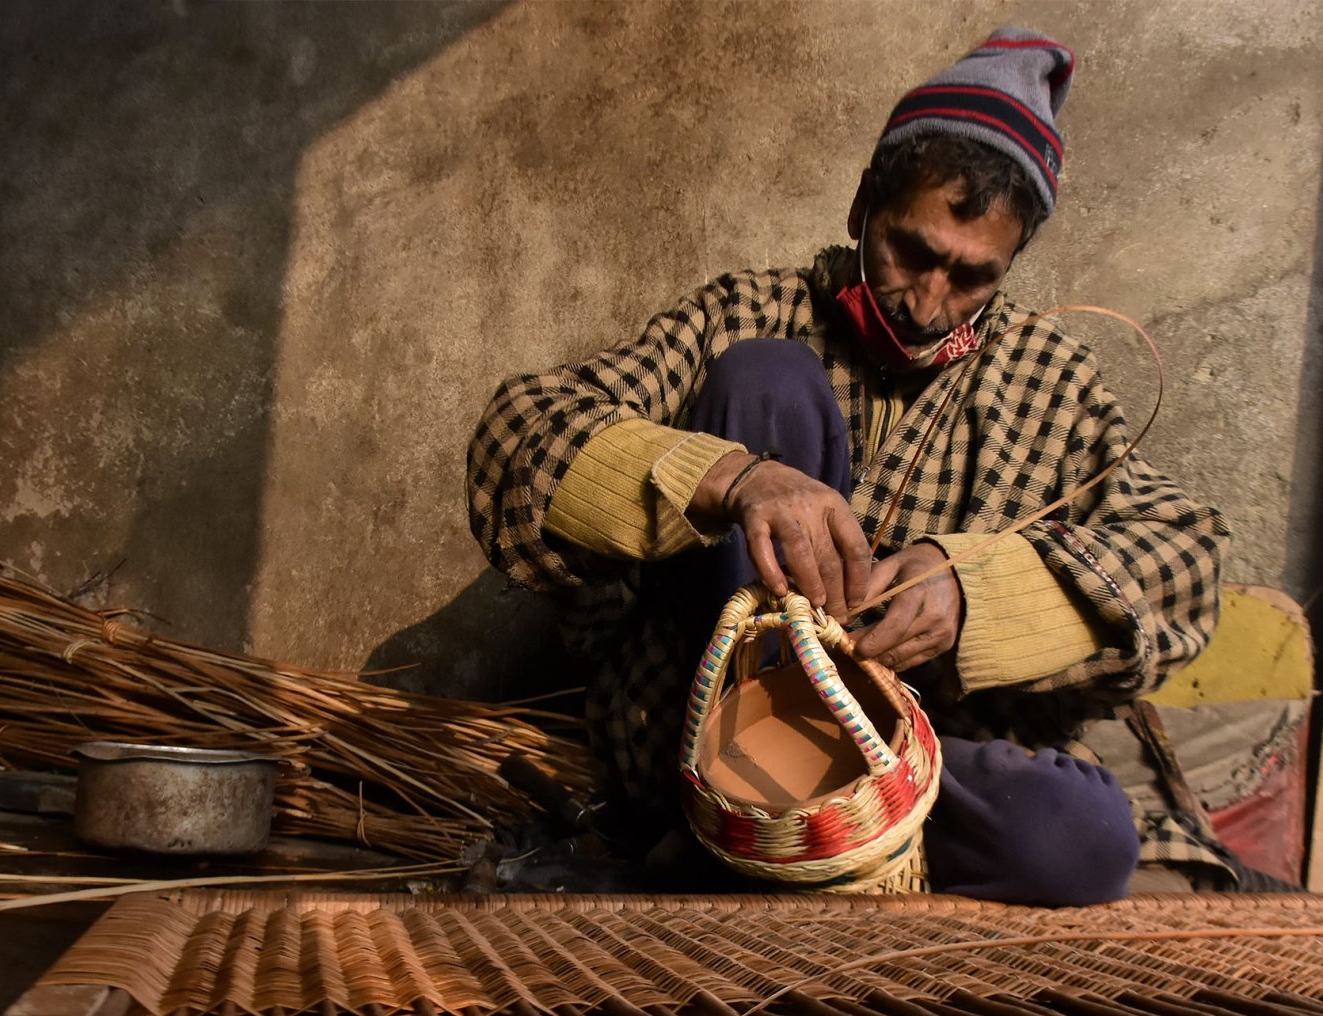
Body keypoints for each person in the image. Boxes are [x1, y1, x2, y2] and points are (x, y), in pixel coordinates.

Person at [467, 28, 1230, 905]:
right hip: (706, 735)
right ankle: (734, 806)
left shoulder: (1048, 378)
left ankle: (793, 860)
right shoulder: (748, 309)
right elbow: (519, 433)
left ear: (1012, 261)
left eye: (972, 276)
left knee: (1080, 840)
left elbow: (1187, 563)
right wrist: (734, 479)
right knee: (766, 379)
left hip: (897, 773)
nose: (927, 300)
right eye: (912, 249)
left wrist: (973, 589)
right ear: (863, 203)